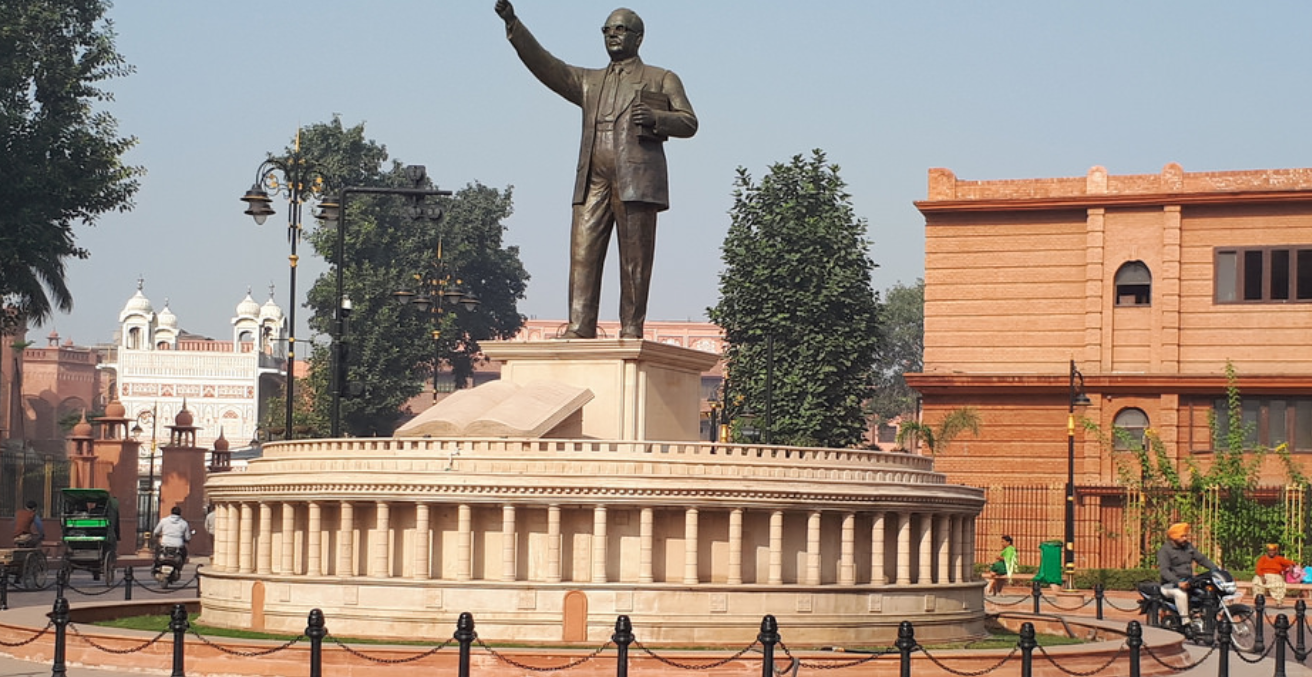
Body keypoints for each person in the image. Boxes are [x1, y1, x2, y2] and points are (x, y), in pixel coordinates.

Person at [494, 1, 698, 339]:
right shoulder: (589, 81)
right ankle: (580, 326)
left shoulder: (661, 78)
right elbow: (546, 66)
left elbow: (689, 121)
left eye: (620, 30)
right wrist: (514, 25)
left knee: (634, 262)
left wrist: (657, 119)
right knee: (582, 255)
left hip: (636, 181)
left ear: (639, 37)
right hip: (593, 179)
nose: (612, 35)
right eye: (606, 30)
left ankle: (631, 328)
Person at [1157, 522, 1218, 623]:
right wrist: (1178, 582)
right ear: (1174, 537)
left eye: (1186, 535)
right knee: (1181, 594)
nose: (1185, 538)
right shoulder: (1165, 550)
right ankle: (1186, 622)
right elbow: (1164, 571)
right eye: (1182, 536)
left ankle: (1203, 617)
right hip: (1170, 585)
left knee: (1206, 591)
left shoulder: (1188, 546)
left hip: (1188, 582)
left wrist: (1216, 569)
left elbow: (1201, 559)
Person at [1253, 543, 1298, 607]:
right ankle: (1258, 601)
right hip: (1263, 576)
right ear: (1267, 551)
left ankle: (1279, 602)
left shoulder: (1279, 558)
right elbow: (1258, 569)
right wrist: (1262, 577)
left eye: (1273, 550)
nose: (1271, 552)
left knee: (1279, 586)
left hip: (1275, 576)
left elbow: (1290, 562)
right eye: (1270, 550)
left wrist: (1291, 565)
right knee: (1257, 583)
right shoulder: (1263, 558)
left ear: (1276, 551)